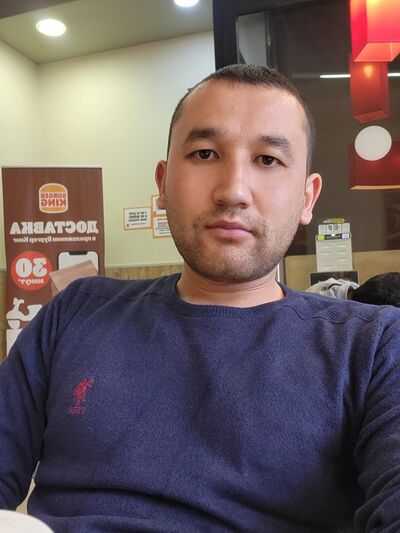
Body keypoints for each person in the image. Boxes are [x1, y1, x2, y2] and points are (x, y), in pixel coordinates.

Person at [0, 64, 399, 533]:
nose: (233, 191)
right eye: (205, 153)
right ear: (163, 183)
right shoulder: (76, 312)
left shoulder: (373, 347)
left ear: (308, 198)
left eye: (268, 159)